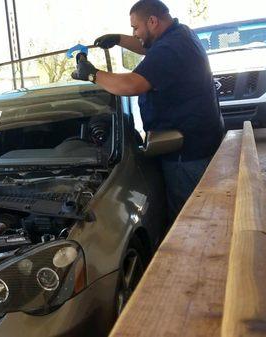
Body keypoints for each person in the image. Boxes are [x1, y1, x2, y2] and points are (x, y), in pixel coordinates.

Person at [72, 0, 224, 222]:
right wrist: (119, 39)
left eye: (135, 28)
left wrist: (92, 74)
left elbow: (131, 85)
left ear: (153, 21)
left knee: (189, 219)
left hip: (187, 153)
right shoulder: (179, 34)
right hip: (199, 142)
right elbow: (147, 45)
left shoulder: (171, 49)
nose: (134, 33)